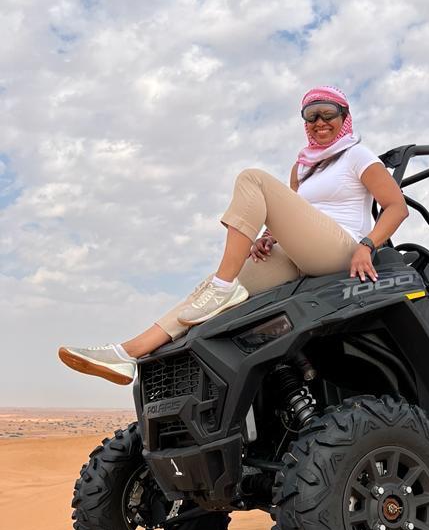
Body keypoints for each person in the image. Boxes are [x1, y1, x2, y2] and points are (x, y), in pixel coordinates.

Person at [58, 86, 409, 386]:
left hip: (343, 249)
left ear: (344, 115)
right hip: (303, 254)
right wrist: (269, 236)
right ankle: (128, 353)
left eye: (327, 113)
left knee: (252, 178)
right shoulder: (303, 167)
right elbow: (296, 213)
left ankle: (222, 288)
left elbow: (396, 207)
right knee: (208, 289)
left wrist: (367, 245)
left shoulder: (356, 155)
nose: (319, 122)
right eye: (310, 116)